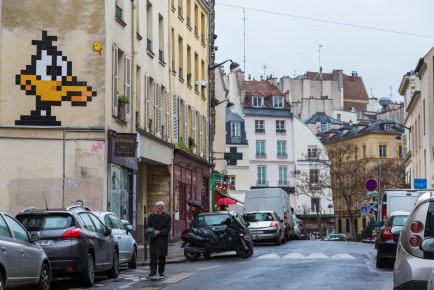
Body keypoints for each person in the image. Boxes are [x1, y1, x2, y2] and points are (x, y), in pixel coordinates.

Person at [145, 201, 171, 278]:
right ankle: (152, 271)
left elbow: (168, 228)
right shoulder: (151, 216)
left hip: (162, 239)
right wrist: (146, 238)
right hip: (153, 238)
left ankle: (161, 271)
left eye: (159, 208)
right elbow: (148, 227)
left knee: (161, 256)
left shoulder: (167, 216)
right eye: (156, 208)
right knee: (153, 255)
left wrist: (160, 232)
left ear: (162, 208)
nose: (157, 209)